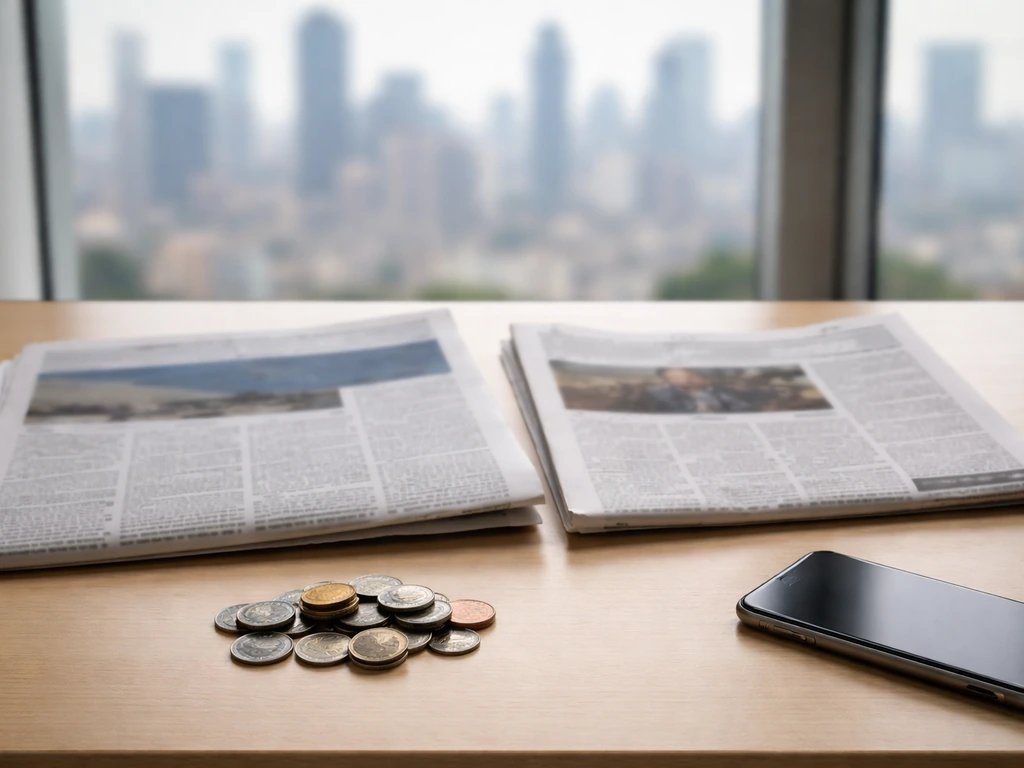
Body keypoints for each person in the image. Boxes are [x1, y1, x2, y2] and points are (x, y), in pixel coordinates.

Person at [646, 368, 750, 414]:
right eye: (673, 377)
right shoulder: (663, 394)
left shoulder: (720, 393)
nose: (687, 379)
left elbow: (740, 408)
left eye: (690, 376)